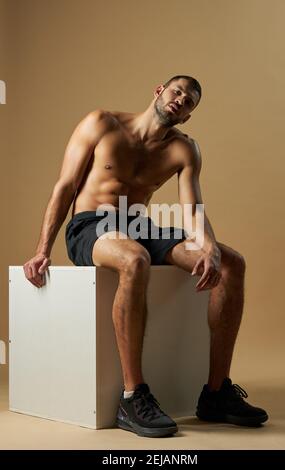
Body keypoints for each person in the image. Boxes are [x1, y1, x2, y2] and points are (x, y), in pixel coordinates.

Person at [23, 75, 268, 438]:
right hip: (91, 226)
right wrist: (43, 249)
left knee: (233, 263)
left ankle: (216, 393)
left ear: (187, 117)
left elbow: (193, 210)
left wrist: (210, 247)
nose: (180, 100)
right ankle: (133, 396)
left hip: (141, 227)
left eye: (188, 102)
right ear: (159, 91)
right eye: (177, 92)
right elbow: (65, 186)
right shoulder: (102, 123)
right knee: (134, 259)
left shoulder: (184, 149)